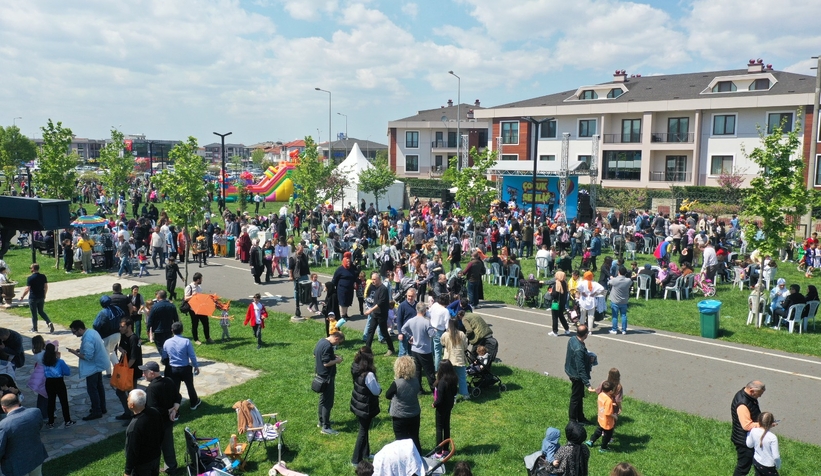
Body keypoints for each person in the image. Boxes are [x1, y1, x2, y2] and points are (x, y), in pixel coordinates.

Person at [141, 361, 182, 475]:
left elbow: (153, 410)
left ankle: (154, 471)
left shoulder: (151, 389)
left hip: (157, 424)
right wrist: (175, 408)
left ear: (152, 373)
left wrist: (170, 410)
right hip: (169, 421)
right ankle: (171, 468)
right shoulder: (168, 381)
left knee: (154, 450)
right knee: (168, 445)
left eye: (145, 372)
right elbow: (178, 396)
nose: (143, 374)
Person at [67, 320, 110, 420]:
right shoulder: (92, 332)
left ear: (80, 329)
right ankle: (101, 407)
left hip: (93, 367)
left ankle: (96, 411)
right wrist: (80, 350)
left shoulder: (88, 339)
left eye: (74, 332)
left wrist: (74, 352)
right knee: (99, 387)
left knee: (92, 390)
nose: (74, 334)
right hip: (99, 364)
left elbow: (88, 357)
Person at [0, 394, 48, 476]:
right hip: (36, 457)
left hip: (16, 466)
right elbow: (39, 427)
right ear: (19, 402)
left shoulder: (4, 425)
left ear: (4, 408)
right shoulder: (35, 412)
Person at [350, 346, 382, 466]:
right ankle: (355, 459)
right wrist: (380, 389)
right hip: (365, 406)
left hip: (358, 402)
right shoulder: (368, 375)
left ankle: (366, 453)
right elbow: (376, 391)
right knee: (363, 431)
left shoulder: (355, 366)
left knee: (364, 429)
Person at [386, 355, 422, 453]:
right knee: (415, 438)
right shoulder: (416, 381)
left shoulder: (396, 383)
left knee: (401, 441)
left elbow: (387, 395)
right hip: (414, 414)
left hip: (399, 416)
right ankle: (418, 458)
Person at [123, 389, 164, 476]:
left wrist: (127, 471)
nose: (127, 400)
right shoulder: (155, 412)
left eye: (128, 399)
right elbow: (161, 433)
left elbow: (132, 451)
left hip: (141, 465)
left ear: (131, 405)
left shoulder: (134, 427)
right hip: (155, 458)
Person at [162, 322, 201, 410]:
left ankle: (175, 409)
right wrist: (196, 366)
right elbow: (192, 355)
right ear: (182, 330)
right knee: (190, 386)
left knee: (175, 389)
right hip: (185, 368)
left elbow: (164, 356)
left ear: (172, 330)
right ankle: (194, 402)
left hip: (173, 369)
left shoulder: (167, 342)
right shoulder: (186, 341)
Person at [731, 380, 765, 476]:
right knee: (743, 467)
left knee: (757, 464)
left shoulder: (748, 397)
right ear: (751, 390)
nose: (760, 396)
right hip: (743, 441)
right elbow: (747, 426)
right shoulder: (742, 404)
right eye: (759, 394)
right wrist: (764, 424)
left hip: (748, 438)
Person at [401, 302, 437, 393]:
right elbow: (431, 334)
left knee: (417, 371)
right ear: (425, 310)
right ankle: (434, 390)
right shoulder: (427, 321)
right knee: (430, 372)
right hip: (425, 350)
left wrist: (410, 336)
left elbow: (403, 329)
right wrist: (435, 330)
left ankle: (418, 390)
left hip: (414, 349)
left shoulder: (411, 320)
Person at [314, 331, 345, 435]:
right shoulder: (328, 346)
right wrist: (338, 360)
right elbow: (326, 363)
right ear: (336, 338)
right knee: (328, 402)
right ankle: (326, 427)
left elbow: (315, 355)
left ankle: (321, 421)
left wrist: (332, 356)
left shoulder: (321, 341)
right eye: (339, 342)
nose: (337, 344)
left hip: (319, 375)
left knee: (322, 400)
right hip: (327, 378)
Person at [115, 317, 143, 422]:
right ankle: (128, 413)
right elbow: (120, 347)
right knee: (120, 392)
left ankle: (133, 416)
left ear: (129, 327)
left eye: (122, 327)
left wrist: (125, 371)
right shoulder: (123, 335)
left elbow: (133, 358)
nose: (120, 328)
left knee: (132, 394)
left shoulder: (133, 339)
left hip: (132, 371)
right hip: (125, 369)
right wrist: (122, 350)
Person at [565, 324, 594, 424]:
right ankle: (573, 420)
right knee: (575, 398)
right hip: (576, 376)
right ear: (585, 334)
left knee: (579, 396)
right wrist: (588, 385)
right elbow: (580, 368)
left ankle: (580, 417)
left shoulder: (572, 339)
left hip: (570, 370)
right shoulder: (579, 349)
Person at [42, 342, 75, 429]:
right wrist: (59, 358)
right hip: (59, 382)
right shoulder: (60, 362)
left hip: (48, 382)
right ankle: (67, 420)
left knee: (51, 402)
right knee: (63, 401)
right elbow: (67, 372)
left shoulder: (44, 361)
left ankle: (51, 422)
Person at [363, 272, 396, 356]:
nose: (373, 281)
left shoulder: (383, 289)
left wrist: (370, 310)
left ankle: (391, 349)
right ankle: (367, 351)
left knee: (384, 332)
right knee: (371, 331)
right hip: (375, 314)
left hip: (381, 314)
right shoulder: (375, 287)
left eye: (374, 279)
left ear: (379, 279)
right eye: (372, 279)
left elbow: (380, 303)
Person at [19, 263, 54, 334]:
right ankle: (49, 322)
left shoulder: (30, 278)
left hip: (33, 298)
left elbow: (27, 289)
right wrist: (44, 295)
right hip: (41, 297)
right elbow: (46, 286)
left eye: (31, 268)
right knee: (41, 311)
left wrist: (22, 296)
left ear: (33, 269)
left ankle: (35, 328)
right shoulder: (43, 276)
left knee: (34, 314)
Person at [433, 359, 458, 456]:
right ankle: (446, 449)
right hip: (449, 405)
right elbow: (455, 392)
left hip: (441, 407)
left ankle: (439, 451)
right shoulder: (453, 379)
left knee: (439, 428)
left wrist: (434, 404)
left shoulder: (442, 382)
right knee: (446, 426)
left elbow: (440, 399)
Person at [442, 316, 469, 401]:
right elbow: (465, 346)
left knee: (450, 379)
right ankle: (465, 394)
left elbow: (442, 343)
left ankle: (453, 397)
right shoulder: (461, 334)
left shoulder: (445, 335)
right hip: (459, 359)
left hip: (449, 359)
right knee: (462, 378)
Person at [584, 380, 617, 452]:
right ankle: (603, 447)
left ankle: (591, 441)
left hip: (600, 418)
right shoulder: (608, 400)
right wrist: (614, 416)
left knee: (598, 431)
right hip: (607, 422)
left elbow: (603, 406)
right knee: (607, 436)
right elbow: (608, 413)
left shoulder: (601, 395)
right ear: (610, 391)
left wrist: (611, 405)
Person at [746, 412, 780, 476]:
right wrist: (778, 465)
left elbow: (749, 445)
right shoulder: (772, 438)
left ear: (759, 421)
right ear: (771, 423)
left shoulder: (753, 431)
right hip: (768, 466)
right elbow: (776, 457)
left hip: (757, 462)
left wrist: (748, 434)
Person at [184, 273, 213, 345]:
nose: (202, 280)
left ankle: (208, 338)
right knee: (195, 324)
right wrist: (193, 296)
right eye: (201, 279)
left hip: (201, 308)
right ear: (198, 280)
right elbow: (186, 298)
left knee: (206, 323)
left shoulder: (199, 287)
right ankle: (196, 339)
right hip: (193, 310)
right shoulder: (189, 287)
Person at [289, 244, 311, 319]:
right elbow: (290, 268)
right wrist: (291, 276)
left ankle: (305, 299)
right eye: (300, 250)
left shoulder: (304, 255)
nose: (302, 252)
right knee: (297, 288)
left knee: (306, 288)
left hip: (304, 274)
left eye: (302, 250)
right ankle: (297, 300)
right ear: (297, 250)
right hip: (297, 275)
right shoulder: (293, 257)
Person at [608, 267, 632, 335]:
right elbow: (630, 283)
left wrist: (612, 278)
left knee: (615, 316)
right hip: (624, 300)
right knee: (624, 315)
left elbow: (609, 282)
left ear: (618, 272)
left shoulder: (615, 280)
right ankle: (624, 330)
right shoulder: (628, 280)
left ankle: (614, 329)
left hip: (615, 300)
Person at [549, 271, 571, 337]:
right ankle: (567, 329)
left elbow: (555, 294)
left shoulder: (557, 283)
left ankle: (555, 331)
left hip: (556, 302)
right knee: (561, 316)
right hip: (562, 302)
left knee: (555, 317)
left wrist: (551, 293)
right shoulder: (565, 283)